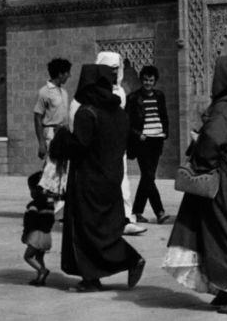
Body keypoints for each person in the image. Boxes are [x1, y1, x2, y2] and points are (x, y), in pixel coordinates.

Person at [163, 56, 227, 315]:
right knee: (220, 231)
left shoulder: (223, 110)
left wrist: (202, 161)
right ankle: (226, 289)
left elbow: (211, 142)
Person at [52, 63, 145, 292]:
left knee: (86, 229)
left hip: (88, 179)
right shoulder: (120, 113)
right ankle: (105, 270)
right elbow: (129, 144)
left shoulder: (87, 112)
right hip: (112, 178)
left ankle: (98, 274)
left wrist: (62, 137)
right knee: (103, 229)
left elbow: (79, 146)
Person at [94, 51, 147, 236]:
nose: (114, 73)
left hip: (118, 145)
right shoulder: (93, 93)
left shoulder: (120, 92)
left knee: (123, 181)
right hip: (100, 147)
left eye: (117, 69)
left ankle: (125, 218)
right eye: (110, 69)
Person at [126, 65, 171, 224]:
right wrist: (139, 134)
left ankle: (137, 211)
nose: (148, 83)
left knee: (147, 177)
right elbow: (128, 122)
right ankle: (159, 212)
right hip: (143, 142)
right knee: (149, 176)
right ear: (141, 80)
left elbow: (164, 116)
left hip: (156, 140)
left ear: (155, 81)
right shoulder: (133, 98)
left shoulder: (160, 95)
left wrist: (165, 131)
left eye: (151, 80)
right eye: (145, 80)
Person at [33, 58, 71, 200]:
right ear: (60, 74)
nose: (69, 76)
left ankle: (57, 200)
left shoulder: (64, 92)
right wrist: (41, 143)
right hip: (50, 132)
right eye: (67, 73)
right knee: (52, 163)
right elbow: (37, 117)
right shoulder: (44, 92)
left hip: (63, 133)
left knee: (62, 167)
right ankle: (41, 192)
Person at [22, 171, 55, 286]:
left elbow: (29, 222)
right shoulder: (50, 205)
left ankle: (42, 271)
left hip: (36, 236)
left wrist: (25, 234)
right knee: (39, 257)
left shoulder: (33, 205)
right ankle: (40, 278)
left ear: (35, 190)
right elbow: (51, 220)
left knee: (28, 256)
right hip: (47, 236)